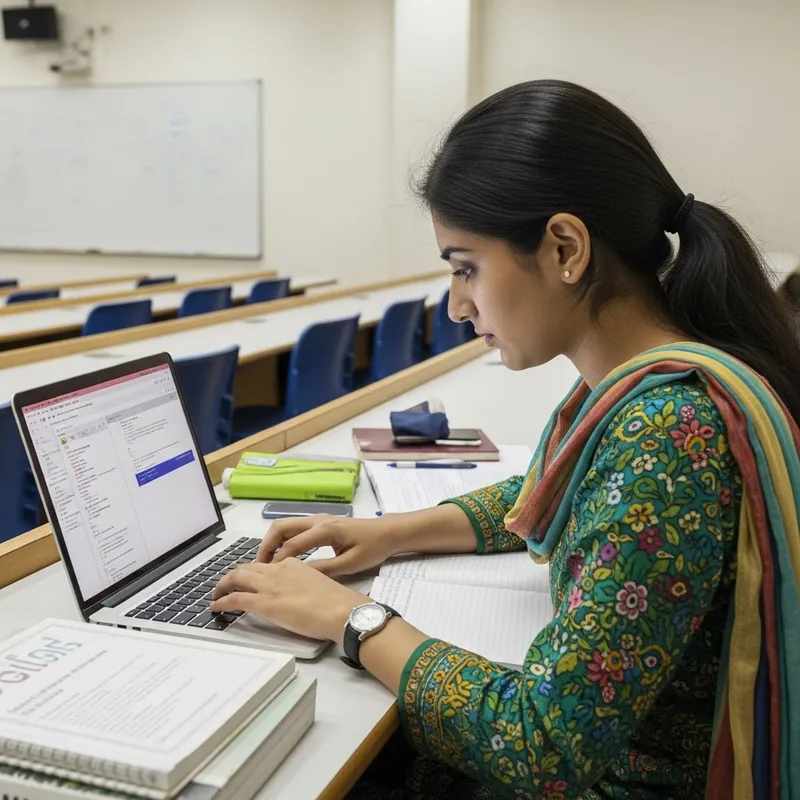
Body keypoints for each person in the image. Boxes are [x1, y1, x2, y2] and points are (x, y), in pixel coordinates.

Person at [211, 80, 800, 800]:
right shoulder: (648, 380)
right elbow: (554, 491)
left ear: (565, 248)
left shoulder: (668, 431)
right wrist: (391, 533)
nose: (457, 306)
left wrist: (350, 618)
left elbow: (542, 745)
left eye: (466, 268)